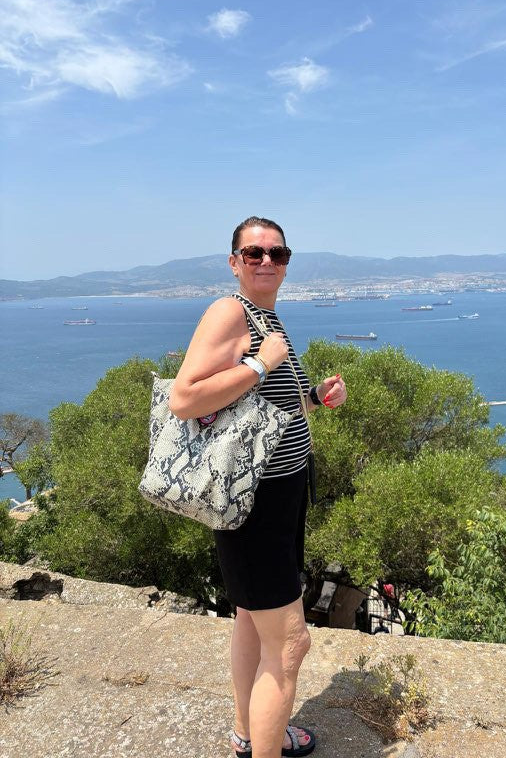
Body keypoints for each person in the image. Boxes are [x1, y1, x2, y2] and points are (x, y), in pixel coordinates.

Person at [168, 216, 348, 758]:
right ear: (234, 262)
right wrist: (257, 363)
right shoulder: (230, 312)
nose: (267, 261)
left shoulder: (266, 316)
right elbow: (185, 399)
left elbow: (262, 407)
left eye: (278, 253)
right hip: (254, 504)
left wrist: (314, 396)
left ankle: (250, 734)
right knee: (291, 643)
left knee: (251, 618)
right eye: (254, 253)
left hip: (280, 495)